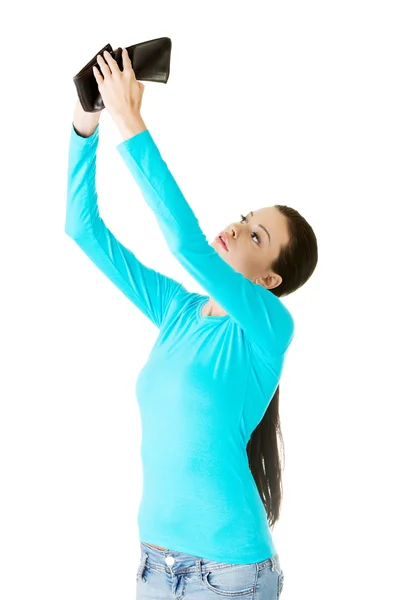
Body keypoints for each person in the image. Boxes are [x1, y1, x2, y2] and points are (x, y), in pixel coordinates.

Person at [65, 48, 318, 599]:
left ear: (271, 279)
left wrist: (131, 121)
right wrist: (87, 125)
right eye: (246, 218)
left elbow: (184, 243)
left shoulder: (270, 326)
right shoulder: (178, 311)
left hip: (230, 575)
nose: (237, 226)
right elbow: (83, 230)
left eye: (257, 237)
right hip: (155, 561)